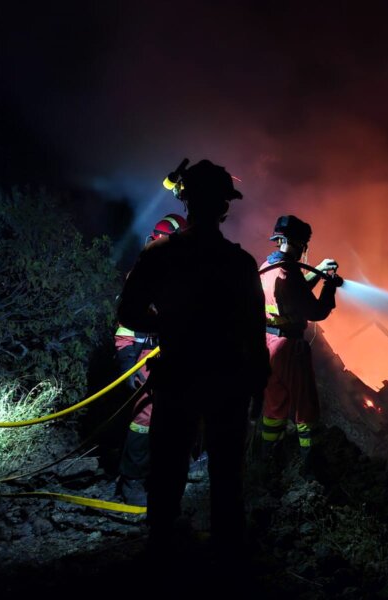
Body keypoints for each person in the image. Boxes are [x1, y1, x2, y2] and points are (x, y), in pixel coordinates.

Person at [117, 159, 269, 560]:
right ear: (225, 208)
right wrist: (258, 385)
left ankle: (161, 546)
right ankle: (226, 554)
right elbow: (256, 334)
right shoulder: (240, 264)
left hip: (177, 376)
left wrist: (167, 323)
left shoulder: (159, 254)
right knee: (226, 472)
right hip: (227, 381)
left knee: (168, 467)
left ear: (184, 201)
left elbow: (128, 313)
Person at [258, 215, 343, 481]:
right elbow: (315, 311)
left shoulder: (268, 267)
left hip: (268, 343)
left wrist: (316, 269)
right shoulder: (289, 272)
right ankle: (312, 467)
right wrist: (329, 286)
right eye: (304, 244)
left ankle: (268, 462)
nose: (304, 249)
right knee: (306, 406)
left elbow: (293, 295)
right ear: (297, 243)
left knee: (274, 406)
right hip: (290, 348)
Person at [114, 214, 190, 507]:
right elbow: (126, 323)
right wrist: (127, 359)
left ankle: (166, 474)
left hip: (180, 355)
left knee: (178, 416)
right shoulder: (144, 272)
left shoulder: (187, 272)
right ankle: (131, 480)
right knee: (144, 419)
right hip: (148, 354)